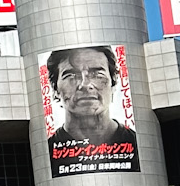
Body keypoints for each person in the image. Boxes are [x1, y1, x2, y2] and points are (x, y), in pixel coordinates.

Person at [44, 46, 139, 178]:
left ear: (113, 84)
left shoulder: (139, 145)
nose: (85, 84)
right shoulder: (46, 154)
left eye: (97, 74)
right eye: (71, 75)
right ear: (55, 90)